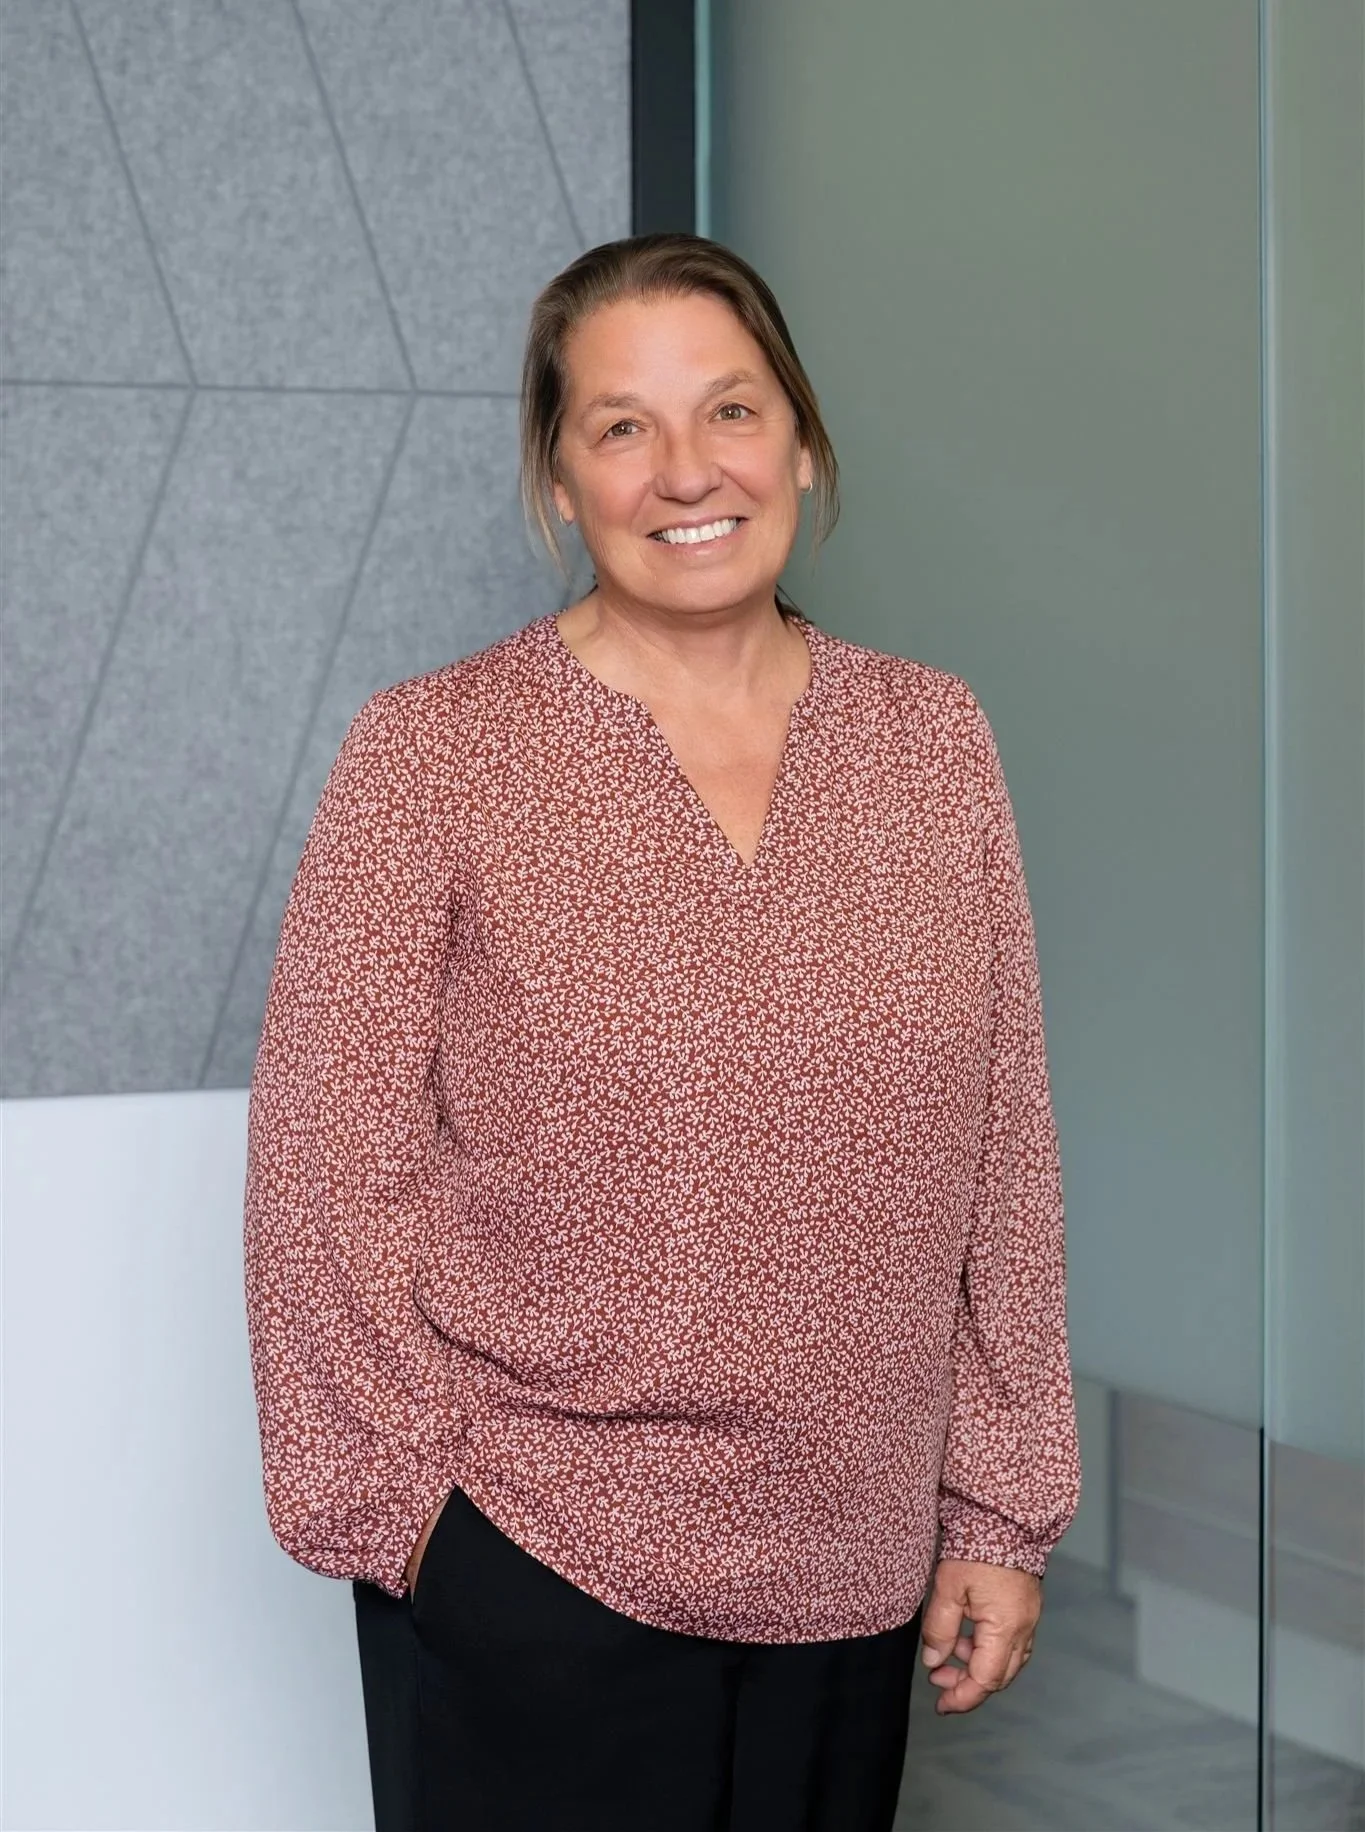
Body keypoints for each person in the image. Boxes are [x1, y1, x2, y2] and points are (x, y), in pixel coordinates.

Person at [243, 232, 1081, 1832]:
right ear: (558, 482)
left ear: (805, 441)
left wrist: (998, 1508)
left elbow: (1004, 1149)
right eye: (621, 426)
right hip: (540, 1561)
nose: (685, 469)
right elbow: (322, 1178)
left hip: (853, 1563)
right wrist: (424, 1524)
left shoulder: (932, 741)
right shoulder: (435, 754)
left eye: (732, 410)